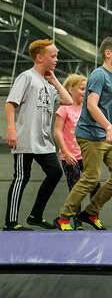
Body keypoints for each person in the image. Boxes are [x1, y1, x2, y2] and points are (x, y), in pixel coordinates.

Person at [56, 37, 112, 230]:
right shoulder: (99, 75)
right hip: (91, 135)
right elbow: (90, 105)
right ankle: (63, 217)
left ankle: (90, 212)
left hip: (106, 134)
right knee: (91, 177)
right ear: (108, 53)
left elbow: (102, 106)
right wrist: (109, 127)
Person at [4, 39, 73, 230]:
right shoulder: (26, 77)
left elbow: (67, 100)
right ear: (40, 57)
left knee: (55, 173)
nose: (56, 59)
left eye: (57, 56)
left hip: (44, 141)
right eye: (53, 56)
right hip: (25, 138)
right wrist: (11, 130)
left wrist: (54, 79)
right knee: (21, 178)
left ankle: (36, 215)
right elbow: (10, 104)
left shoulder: (49, 84)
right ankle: (11, 223)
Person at [54, 74, 98, 229]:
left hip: (86, 155)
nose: (85, 92)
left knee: (96, 185)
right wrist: (65, 152)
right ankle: (77, 222)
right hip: (70, 156)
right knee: (76, 188)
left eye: (87, 89)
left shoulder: (88, 107)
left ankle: (91, 216)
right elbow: (57, 131)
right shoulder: (64, 108)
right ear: (70, 89)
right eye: (81, 88)